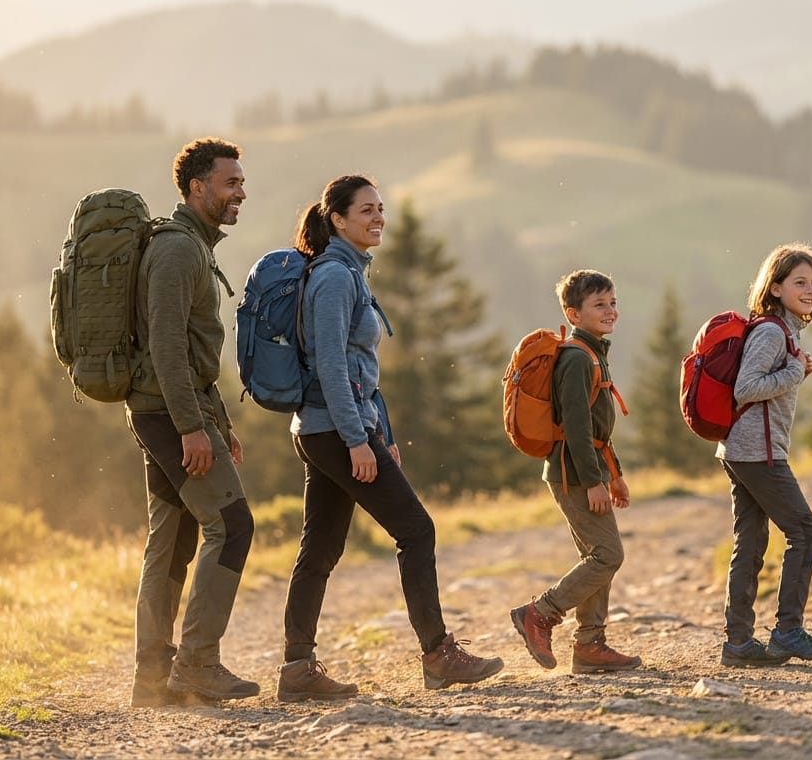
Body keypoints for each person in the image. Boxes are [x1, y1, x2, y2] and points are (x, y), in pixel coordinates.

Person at [276, 174, 505, 701]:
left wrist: (382, 433)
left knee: (321, 549)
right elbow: (333, 366)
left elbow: (361, 368)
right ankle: (438, 654)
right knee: (416, 529)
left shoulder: (348, 271)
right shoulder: (335, 277)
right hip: (335, 429)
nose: (378, 218)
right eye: (365, 211)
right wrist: (359, 440)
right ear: (336, 219)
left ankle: (296, 668)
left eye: (380, 209)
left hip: (327, 427)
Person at [126, 138, 258, 706]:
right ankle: (199, 663)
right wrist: (190, 427)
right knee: (231, 525)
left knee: (174, 539)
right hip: (168, 413)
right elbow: (166, 348)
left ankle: (152, 680)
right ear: (197, 188)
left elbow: (191, 351)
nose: (241, 192)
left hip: (171, 409)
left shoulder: (190, 246)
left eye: (241, 182)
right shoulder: (179, 251)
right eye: (230, 183)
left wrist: (218, 422)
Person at [510, 269, 642, 675]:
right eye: (599, 305)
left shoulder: (593, 351)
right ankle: (540, 612)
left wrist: (613, 474)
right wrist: (594, 482)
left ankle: (589, 646)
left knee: (596, 555)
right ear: (573, 313)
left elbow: (599, 427)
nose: (610, 311)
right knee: (607, 555)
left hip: (585, 468)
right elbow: (577, 427)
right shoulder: (576, 357)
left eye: (613, 302)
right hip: (572, 474)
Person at [716, 242, 812, 667]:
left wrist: (792, 368)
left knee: (751, 541)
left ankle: (739, 644)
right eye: (799, 282)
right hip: (756, 451)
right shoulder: (771, 331)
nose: (810, 290)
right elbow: (746, 388)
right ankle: (787, 631)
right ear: (776, 286)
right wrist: (794, 371)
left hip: (744, 448)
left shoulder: (785, 330)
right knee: (805, 532)